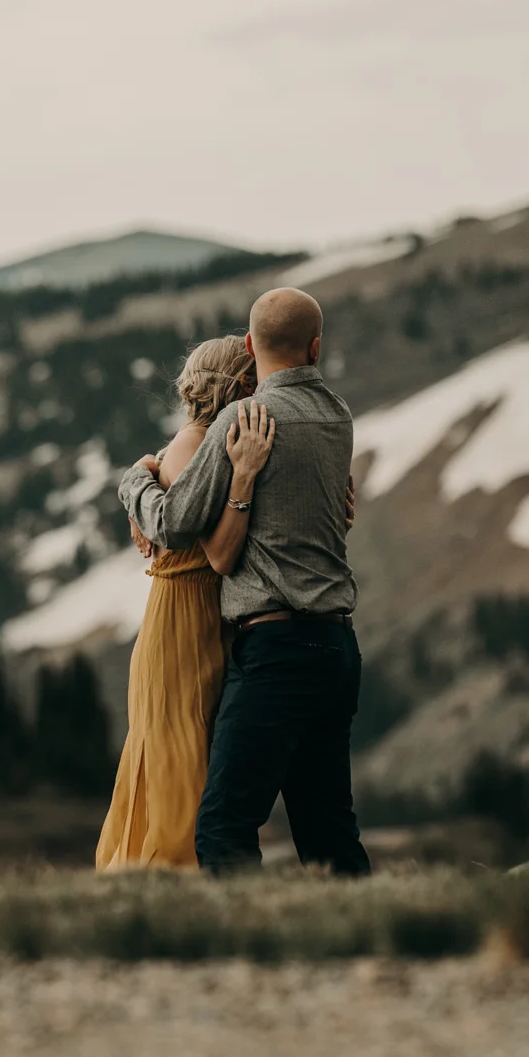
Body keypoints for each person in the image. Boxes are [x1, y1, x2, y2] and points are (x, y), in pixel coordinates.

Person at [119, 287, 371, 876]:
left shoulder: (245, 418)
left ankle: (251, 945)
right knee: (328, 825)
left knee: (225, 824)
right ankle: (369, 937)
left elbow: (175, 524)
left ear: (254, 347)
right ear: (316, 347)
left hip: (276, 649)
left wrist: (135, 480)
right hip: (337, 646)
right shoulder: (339, 416)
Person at [93, 336, 278, 870]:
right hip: (182, 618)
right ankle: (171, 869)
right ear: (239, 385)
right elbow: (211, 539)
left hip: (201, 615)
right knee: (181, 749)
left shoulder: (206, 443)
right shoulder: (195, 446)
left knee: (196, 745)